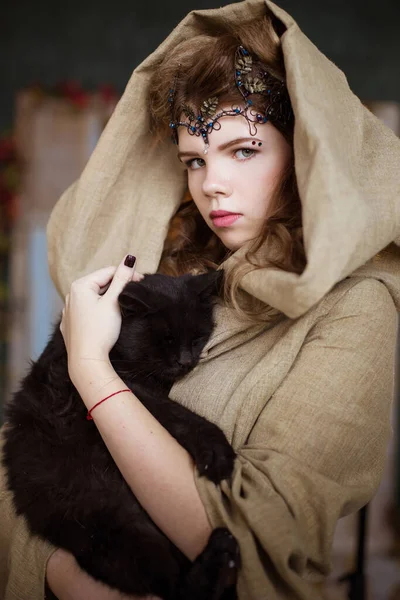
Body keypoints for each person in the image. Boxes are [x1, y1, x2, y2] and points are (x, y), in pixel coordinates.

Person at [1, 0, 400, 598]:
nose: (211, 182)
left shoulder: (356, 308)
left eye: (243, 150)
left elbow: (251, 545)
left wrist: (90, 370)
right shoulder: (167, 280)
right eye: (194, 158)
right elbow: (34, 470)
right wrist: (67, 575)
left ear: (304, 156)